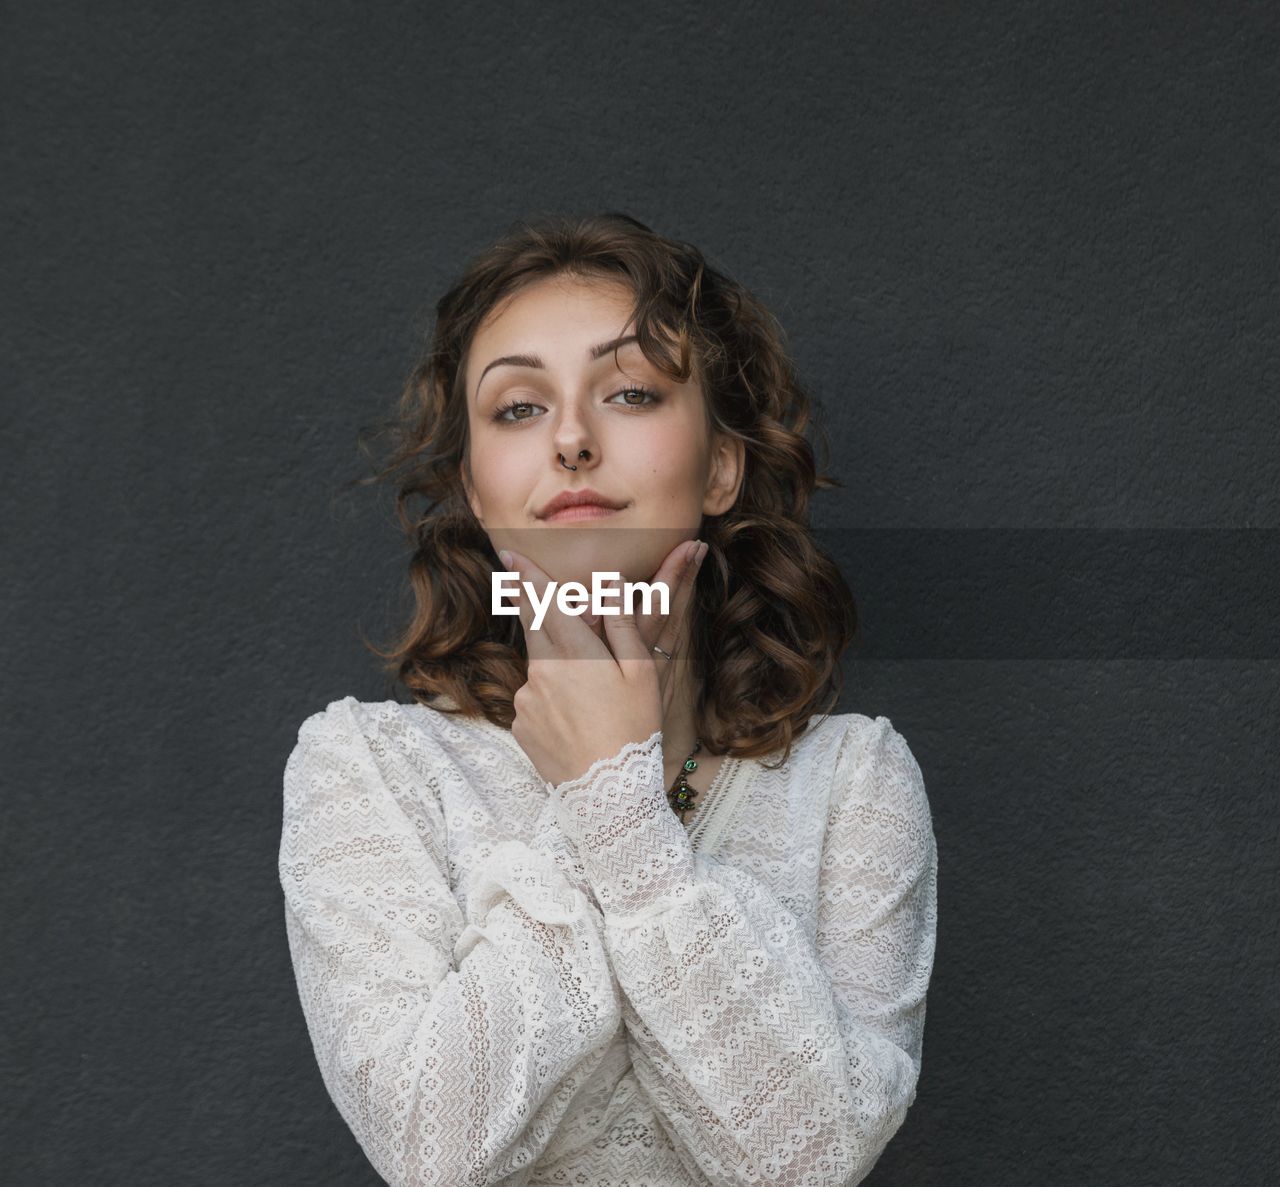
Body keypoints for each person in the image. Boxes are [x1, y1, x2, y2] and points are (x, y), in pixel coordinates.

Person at [278, 212, 938, 1186]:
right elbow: (432, 1147)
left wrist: (618, 802)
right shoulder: (367, 769)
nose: (573, 440)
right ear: (472, 482)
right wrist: (601, 774)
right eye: (517, 408)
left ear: (719, 464)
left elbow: (806, 1158)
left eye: (629, 391)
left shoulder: (853, 782)